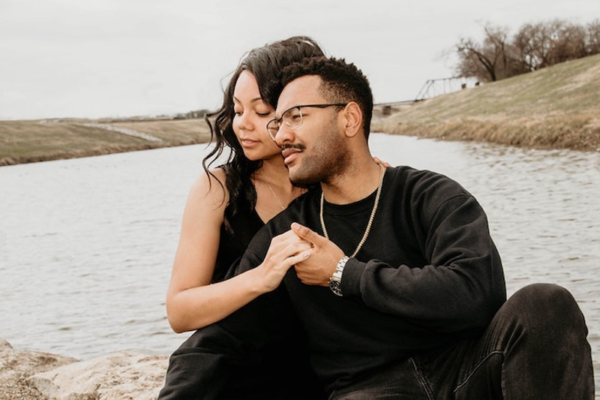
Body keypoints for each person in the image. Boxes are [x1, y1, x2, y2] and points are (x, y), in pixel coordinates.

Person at [229, 56, 595, 399]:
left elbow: (477, 293)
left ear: (350, 119)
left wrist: (343, 273)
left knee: (545, 304)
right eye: (278, 123)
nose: (281, 136)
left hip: (466, 370)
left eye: (295, 116)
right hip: (367, 389)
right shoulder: (288, 232)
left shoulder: (432, 197)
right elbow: (220, 333)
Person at [158, 36, 328, 399]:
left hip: (314, 372)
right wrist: (260, 277)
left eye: (261, 111)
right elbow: (179, 311)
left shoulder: (338, 187)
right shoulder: (217, 188)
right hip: (222, 371)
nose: (243, 125)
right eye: (237, 110)